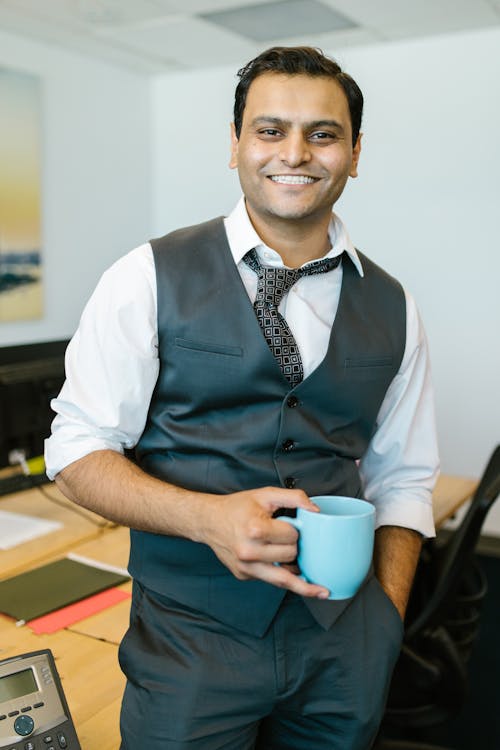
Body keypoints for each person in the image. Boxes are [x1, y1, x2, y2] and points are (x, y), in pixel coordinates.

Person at [45, 46, 439, 750]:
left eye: (323, 134)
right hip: (191, 644)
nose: (296, 152)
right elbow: (77, 449)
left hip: (344, 648)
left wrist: (384, 618)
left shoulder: (396, 306)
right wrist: (205, 520)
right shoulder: (145, 277)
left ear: (353, 153)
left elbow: (404, 477)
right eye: (269, 130)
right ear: (235, 147)